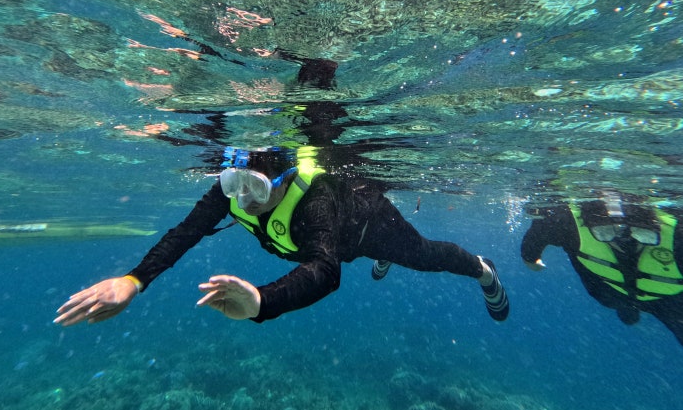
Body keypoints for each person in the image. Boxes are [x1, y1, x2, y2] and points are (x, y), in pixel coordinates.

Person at [55, 146, 509, 326]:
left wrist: (262, 301)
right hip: (332, 238)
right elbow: (186, 232)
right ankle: (386, 261)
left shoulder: (314, 200)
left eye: (255, 188)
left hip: (368, 226)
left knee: (423, 254)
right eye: (235, 184)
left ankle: (483, 270)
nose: (243, 199)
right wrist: (134, 280)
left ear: (285, 178)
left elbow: (326, 270)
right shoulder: (232, 190)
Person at [521, 190, 683, 345]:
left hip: (666, 302)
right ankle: (628, 308)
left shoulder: (678, 233)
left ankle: (629, 308)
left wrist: (532, 261)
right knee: (623, 309)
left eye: (640, 232)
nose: (624, 238)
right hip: (613, 294)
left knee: (628, 311)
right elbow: (534, 241)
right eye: (605, 232)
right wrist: (532, 258)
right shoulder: (566, 221)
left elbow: (532, 248)